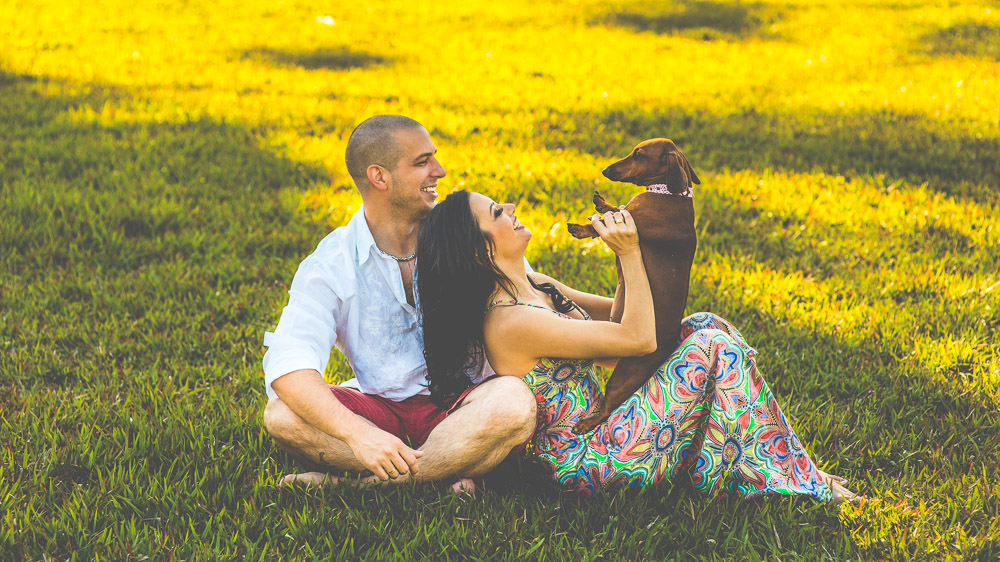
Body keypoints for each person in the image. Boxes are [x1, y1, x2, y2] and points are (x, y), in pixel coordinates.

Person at [416, 189, 857, 503]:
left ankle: (778, 465)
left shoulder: (536, 285)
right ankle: (787, 474)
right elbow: (638, 339)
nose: (510, 208)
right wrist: (629, 254)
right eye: (497, 212)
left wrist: (626, 256)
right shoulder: (509, 321)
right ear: (479, 251)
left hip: (608, 429)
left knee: (703, 325)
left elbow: (627, 323)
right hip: (585, 461)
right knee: (708, 345)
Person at [261, 117, 536, 492]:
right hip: (382, 411)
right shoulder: (333, 261)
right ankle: (454, 466)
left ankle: (360, 486)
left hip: (470, 403)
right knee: (282, 414)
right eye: (423, 162)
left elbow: (535, 303)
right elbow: (288, 363)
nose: (439, 171)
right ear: (379, 177)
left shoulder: (465, 233)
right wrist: (359, 434)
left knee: (514, 403)